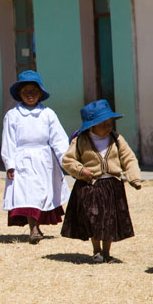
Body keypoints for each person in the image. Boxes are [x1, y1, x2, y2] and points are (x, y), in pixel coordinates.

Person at [61, 100, 142, 263]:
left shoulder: (116, 139)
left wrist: (134, 178)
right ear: (92, 125)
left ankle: (107, 252)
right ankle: (96, 250)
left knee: (110, 220)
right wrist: (80, 170)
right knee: (94, 219)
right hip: (90, 186)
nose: (108, 127)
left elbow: (129, 158)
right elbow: (68, 160)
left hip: (112, 186)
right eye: (103, 124)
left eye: (110, 123)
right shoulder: (80, 141)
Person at [1, 70, 70, 244]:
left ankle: (37, 226)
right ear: (19, 93)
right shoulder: (12, 116)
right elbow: (8, 141)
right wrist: (10, 164)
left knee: (42, 194)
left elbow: (59, 139)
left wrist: (67, 161)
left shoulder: (48, 114)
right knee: (27, 195)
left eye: (34, 91)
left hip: (44, 159)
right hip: (21, 159)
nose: (30, 95)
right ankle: (33, 228)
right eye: (26, 91)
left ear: (40, 93)